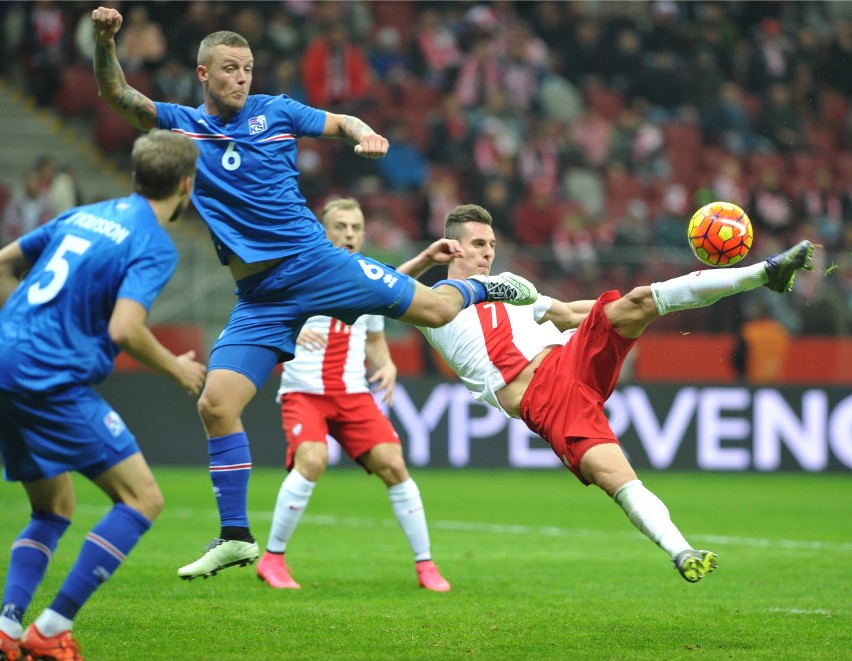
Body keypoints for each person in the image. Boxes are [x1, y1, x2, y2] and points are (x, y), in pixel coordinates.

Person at [90, 7, 537, 581]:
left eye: (248, 67)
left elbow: (341, 120)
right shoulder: (182, 125)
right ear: (204, 75)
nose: (242, 77)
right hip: (259, 296)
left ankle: (488, 285)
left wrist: (362, 133)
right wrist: (106, 43)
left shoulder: (275, 112)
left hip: (314, 262)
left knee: (436, 306)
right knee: (215, 403)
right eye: (230, 69)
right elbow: (118, 94)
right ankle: (235, 536)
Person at [398, 203, 816, 583]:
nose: (488, 252)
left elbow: (566, 314)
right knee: (614, 477)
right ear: (452, 247)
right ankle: (682, 550)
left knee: (640, 300)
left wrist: (612, 308)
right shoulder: (433, 304)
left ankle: (765, 272)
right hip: (546, 402)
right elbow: (381, 289)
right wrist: (423, 259)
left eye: (491, 243)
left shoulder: (511, 284)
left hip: (571, 357)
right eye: (477, 244)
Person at [0, 130, 206, 661]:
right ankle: (51, 630)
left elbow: (3, 263)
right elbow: (126, 330)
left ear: (137, 175)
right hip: (48, 379)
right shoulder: (152, 243)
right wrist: (177, 369)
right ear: (187, 184)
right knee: (142, 498)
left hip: (5, 363)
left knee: (53, 508)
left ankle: (7, 626)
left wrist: (21, 328)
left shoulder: (85, 215)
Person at [258, 198, 450, 592]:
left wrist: (387, 363)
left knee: (393, 464)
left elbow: (375, 338)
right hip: (305, 392)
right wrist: (288, 331)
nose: (349, 233)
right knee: (313, 458)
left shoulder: (369, 279)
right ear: (323, 231)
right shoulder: (298, 272)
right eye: (340, 226)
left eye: (356, 227)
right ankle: (272, 559)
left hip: (353, 394)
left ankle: (426, 565)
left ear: (363, 234)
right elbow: (258, 316)